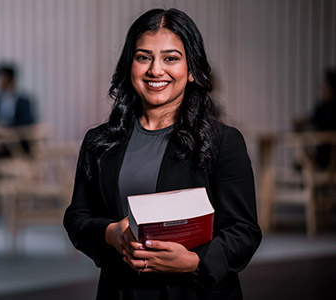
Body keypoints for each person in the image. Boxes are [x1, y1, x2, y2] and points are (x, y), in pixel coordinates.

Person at [63, 8, 261, 300]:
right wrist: (111, 233)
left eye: (171, 58)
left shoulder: (223, 142)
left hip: (195, 292)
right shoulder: (100, 142)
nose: (156, 70)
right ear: (129, 65)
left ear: (192, 69)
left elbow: (244, 231)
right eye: (144, 57)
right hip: (121, 291)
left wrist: (195, 262)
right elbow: (77, 218)